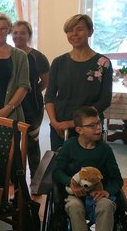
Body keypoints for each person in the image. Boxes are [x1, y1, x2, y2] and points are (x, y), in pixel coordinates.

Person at [52, 106, 123, 231]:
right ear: (79, 130)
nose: (98, 128)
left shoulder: (105, 150)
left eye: (99, 123)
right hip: (76, 194)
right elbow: (57, 172)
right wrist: (70, 183)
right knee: (73, 207)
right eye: (92, 125)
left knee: (106, 206)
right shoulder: (69, 146)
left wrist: (107, 191)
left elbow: (117, 179)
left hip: (98, 193)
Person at [45, 14, 113, 151]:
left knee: (88, 163)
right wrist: (54, 123)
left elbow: (105, 100)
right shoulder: (58, 62)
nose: (74, 34)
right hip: (60, 126)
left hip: (89, 127)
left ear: (90, 32)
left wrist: (73, 123)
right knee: (60, 161)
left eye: (79, 29)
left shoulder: (103, 63)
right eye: (70, 31)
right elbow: (49, 96)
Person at [12, 20, 50, 177]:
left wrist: (28, 93)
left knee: (32, 145)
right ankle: (15, 179)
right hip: (11, 108)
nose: (18, 36)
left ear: (29, 35)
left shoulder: (38, 57)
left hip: (33, 107)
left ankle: (35, 179)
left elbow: (45, 82)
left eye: (23, 33)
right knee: (12, 144)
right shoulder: (7, 54)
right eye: (15, 32)